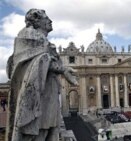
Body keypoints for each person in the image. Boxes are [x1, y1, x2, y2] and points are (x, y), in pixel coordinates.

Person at [6, 9, 78, 141]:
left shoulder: (41, 39)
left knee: (44, 132)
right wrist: (62, 69)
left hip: (46, 93)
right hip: (38, 96)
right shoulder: (28, 36)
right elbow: (37, 60)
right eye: (47, 18)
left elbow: (44, 59)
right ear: (36, 19)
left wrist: (63, 69)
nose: (50, 21)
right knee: (36, 133)